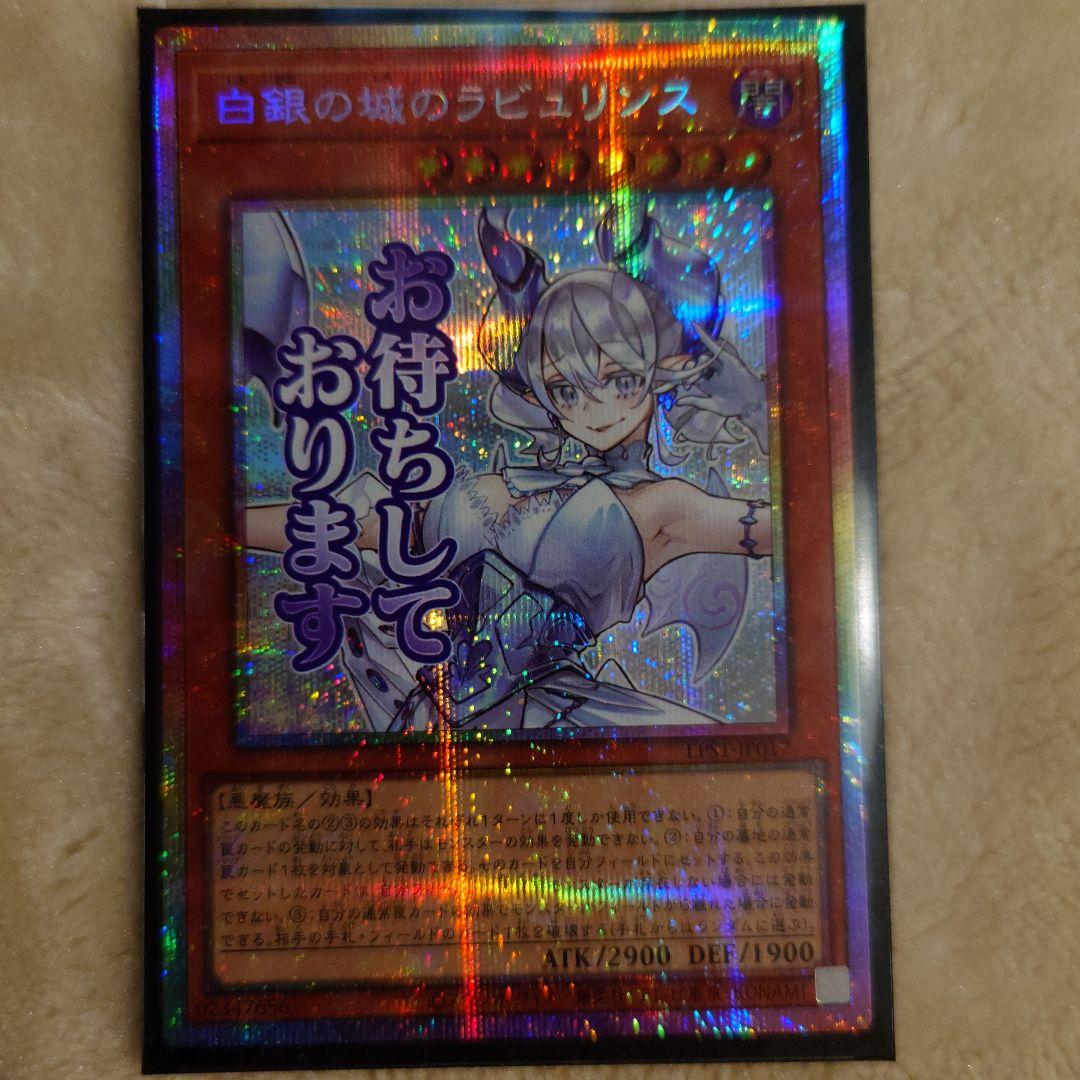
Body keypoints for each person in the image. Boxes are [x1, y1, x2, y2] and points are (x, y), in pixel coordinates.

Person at [247, 206, 773, 732]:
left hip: (562, 726)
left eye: (620, 380)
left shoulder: (662, 507)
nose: (595, 406)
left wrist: (757, 409)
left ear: (658, 373)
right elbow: (340, 527)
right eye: (565, 389)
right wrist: (219, 525)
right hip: (431, 722)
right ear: (542, 391)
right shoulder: (484, 486)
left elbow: (801, 528)